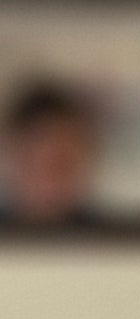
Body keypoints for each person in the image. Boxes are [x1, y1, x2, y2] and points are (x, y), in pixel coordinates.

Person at [0, 79, 104, 225]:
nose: (51, 182)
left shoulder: (114, 240)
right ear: (12, 158)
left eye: (64, 166)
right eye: (39, 165)